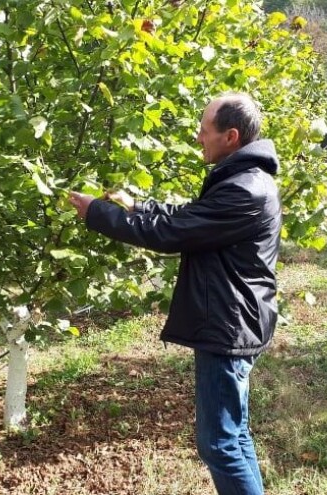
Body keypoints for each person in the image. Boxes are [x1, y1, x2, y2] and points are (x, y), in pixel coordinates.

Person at [68, 92, 281, 495]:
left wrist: (98, 213)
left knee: (218, 443)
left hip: (228, 325)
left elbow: (172, 233)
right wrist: (138, 206)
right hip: (232, 318)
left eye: (204, 130)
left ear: (230, 136)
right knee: (233, 437)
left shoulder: (245, 190)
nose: (198, 137)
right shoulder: (241, 179)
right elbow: (188, 217)